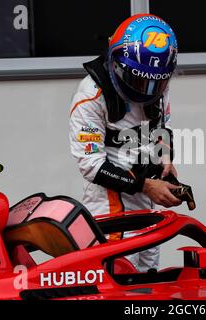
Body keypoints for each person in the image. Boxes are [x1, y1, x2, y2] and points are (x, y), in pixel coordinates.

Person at [69, 13, 181, 272]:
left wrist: (165, 161)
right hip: (111, 208)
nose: (148, 90)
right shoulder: (90, 95)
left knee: (149, 277)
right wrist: (146, 185)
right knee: (119, 279)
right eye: (139, 79)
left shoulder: (157, 81)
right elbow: (90, 165)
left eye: (156, 82)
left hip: (147, 203)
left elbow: (164, 126)